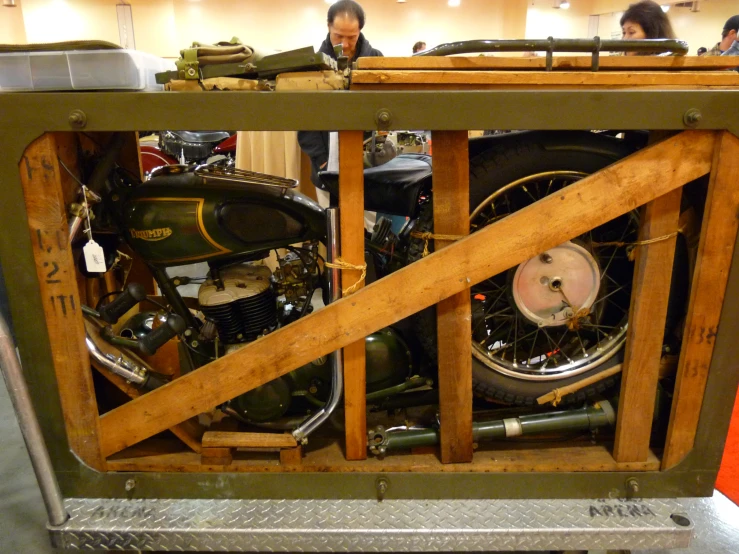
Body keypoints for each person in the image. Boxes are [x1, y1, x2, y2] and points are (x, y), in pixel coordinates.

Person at [297, 0, 383, 192]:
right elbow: (304, 121)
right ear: (328, 26)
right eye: (338, 36)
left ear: (360, 30)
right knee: (329, 219)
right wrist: (321, 161)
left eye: (352, 37)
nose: (344, 44)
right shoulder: (313, 66)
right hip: (325, 166)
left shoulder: (376, 60)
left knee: (367, 221)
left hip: (369, 166)